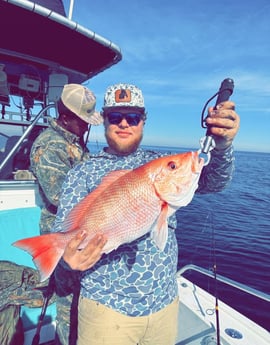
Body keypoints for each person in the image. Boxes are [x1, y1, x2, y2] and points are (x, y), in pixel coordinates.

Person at [53, 83, 240, 345]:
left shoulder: (157, 161)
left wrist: (222, 146)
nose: (124, 124)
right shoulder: (82, 173)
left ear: (143, 121)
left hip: (164, 305)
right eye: (115, 117)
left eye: (133, 117)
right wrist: (66, 260)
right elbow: (64, 232)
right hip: (106, 309)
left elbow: (215, 181)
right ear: (104, 121)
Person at [30, 83, 106, 345]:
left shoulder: (74, 143)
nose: (87, 126)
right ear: (65, 118)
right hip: (63, 240)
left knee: (83, 298)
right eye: (83, 121)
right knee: (67, 302)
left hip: (83, 235)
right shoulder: (50, 146)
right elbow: (62, 198)